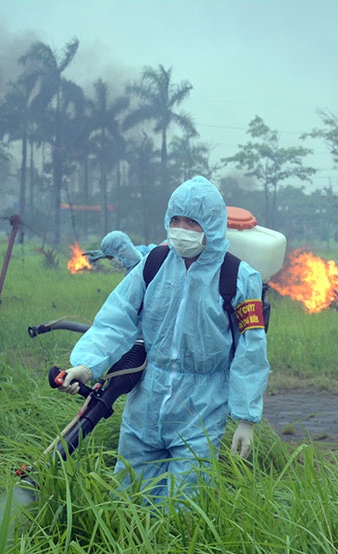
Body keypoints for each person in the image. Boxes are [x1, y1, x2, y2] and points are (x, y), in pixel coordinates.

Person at [56, 176, 269, 505]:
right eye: (176, 220)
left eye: (192, 222)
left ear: (211, 225)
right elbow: (116, 318)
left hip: (202, 404)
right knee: (127, 495)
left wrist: (246, 417)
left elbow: (251, 350)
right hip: (147, 399)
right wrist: (87, 364)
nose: (182, 229)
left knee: (182, 504)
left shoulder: (238, 278)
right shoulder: (153, 264)